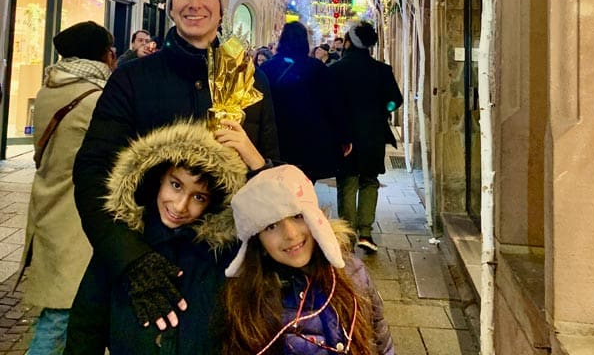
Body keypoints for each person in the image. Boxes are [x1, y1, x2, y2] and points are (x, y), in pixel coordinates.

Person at [73, 0, 279, 334]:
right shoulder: (133, 80)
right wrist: (131, 260)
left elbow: (271, 179)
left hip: (224, 272)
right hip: (145, 262)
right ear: (170, 7)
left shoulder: (252, 83)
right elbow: (92, 172)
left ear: (222, 8)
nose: (194, 3)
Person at [66, 120, 255, 355]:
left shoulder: (221, 256)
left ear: (213, 204)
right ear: (159, 177)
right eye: (176, 185)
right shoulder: (124, 244)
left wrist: (258, 165)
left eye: (199, 198)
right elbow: (86, 326)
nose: (180, 205)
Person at [219, 164, 394, 355]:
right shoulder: (253, 299)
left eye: (297, 216)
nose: (291, 234)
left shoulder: (353, 271)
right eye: (271, 226)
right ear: (257, 240)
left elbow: (379, 335)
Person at [16, 21, 115, 355]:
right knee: (60, 316)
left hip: (49, 204)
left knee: (65, 313)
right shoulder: (94, 97)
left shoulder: (50, 88)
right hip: (74, 215)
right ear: (103, 54)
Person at [328, 21, 403, 253]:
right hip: (373, 136)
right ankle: (366, 233)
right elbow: (395, 100)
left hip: (346, 138)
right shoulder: (382, 70)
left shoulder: (335, 70)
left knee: (348, 183)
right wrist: (383, 109)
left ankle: (347, 235)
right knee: (370, 182)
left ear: (349, 42)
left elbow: (329, 107)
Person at [260, 22, 350, 182]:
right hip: (308, 141)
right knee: (303, 187)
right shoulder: (317, 68)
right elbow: (332, 105)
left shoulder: (267, 68)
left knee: (276, 186)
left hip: (275, 138)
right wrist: (343, 136)